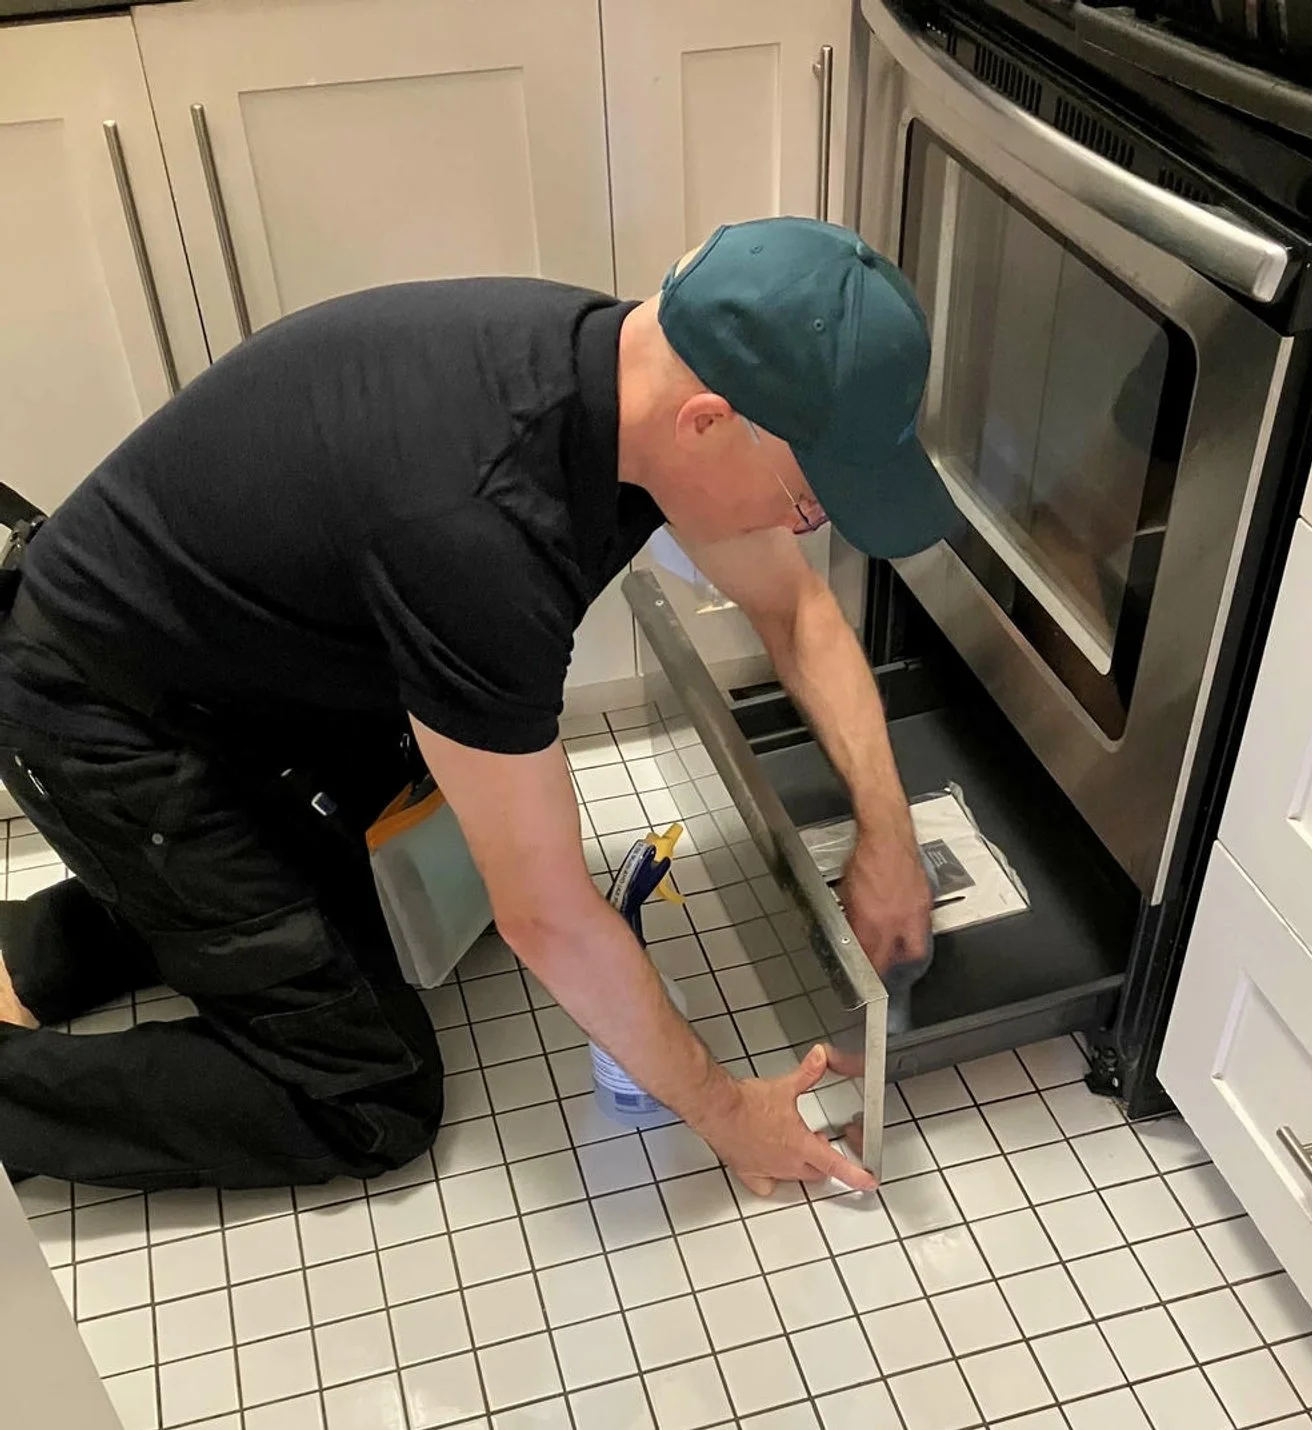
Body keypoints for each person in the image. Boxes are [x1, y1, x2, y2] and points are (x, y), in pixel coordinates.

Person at [0, 216, 956, 1195]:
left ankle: (48, 942)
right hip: (104, 717)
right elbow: (544, 915)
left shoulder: (625, 377)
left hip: (244, 671)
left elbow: (796, 610)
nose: (809, 523)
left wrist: (886, 835)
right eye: (808, 497)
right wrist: (725, 1111)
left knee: (349, 908)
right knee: (372, 1096)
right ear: (707, 422)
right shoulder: (483, 532)